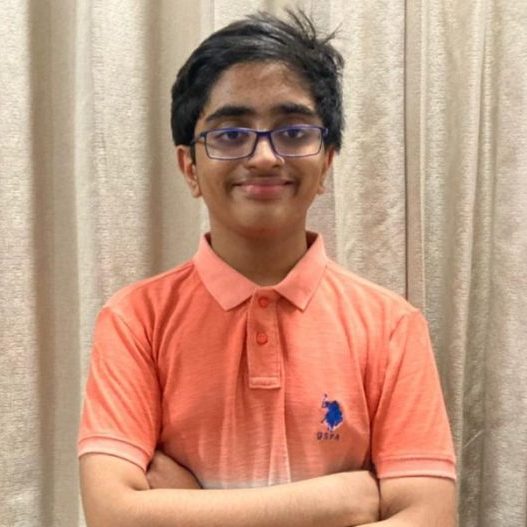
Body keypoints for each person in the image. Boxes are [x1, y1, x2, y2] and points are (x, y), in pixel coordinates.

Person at [78, 10, 457, 527]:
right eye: (230, 134)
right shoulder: (135, 320)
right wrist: (339, 500)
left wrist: (188, 504)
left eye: (293, 131)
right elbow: (112, 515)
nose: (263, 157)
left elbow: (430, 517)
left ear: (326, 163)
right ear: (190, 167)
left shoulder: (391, 326)